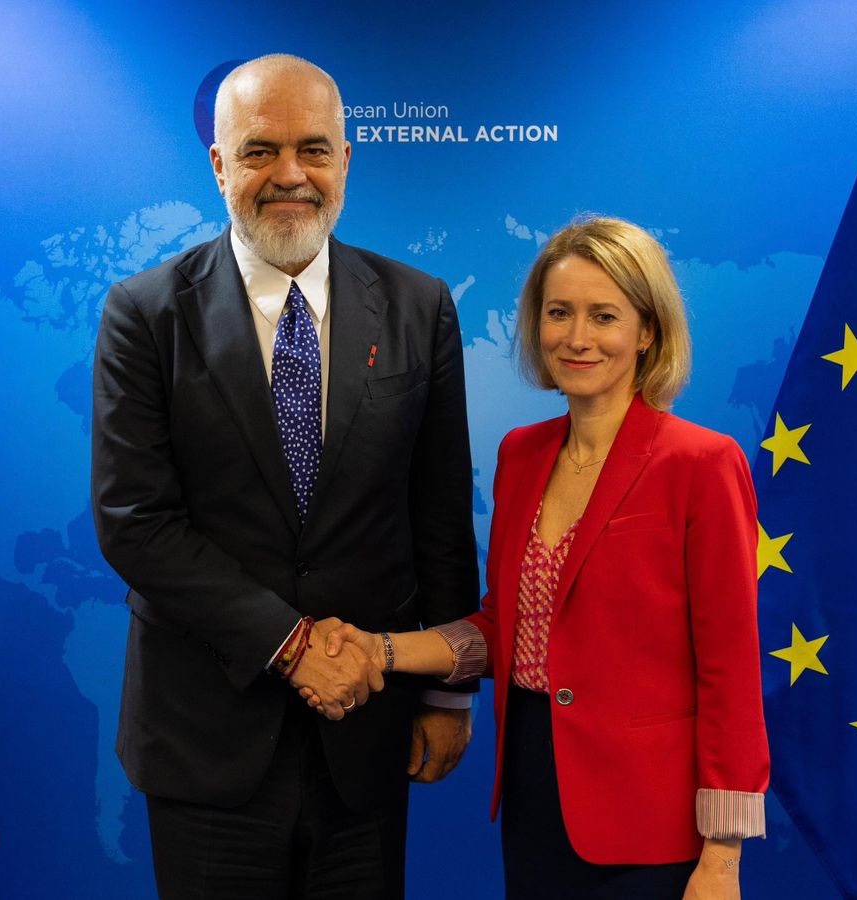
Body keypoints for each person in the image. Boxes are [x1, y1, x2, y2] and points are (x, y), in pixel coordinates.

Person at [91, 54, 479, 899]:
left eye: (314, 149)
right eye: (261, 150)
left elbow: (440, 512)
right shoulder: (145, 313)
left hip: (368, 736)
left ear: (346, 161)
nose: (291, 175)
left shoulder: (419, 306)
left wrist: (449, 696)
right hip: (205, 740)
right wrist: (291, 644)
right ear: (219, 164)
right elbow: (136, 521)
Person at [314, 217, 770, 899]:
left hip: (654, 817)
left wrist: (723, 856)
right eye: (559, 313)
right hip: (535, 788)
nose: (577, 337)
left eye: (604, 316)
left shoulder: (702, 463)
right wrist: (380, 649)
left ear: (648, 331)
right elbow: (507, 629)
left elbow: (730, 667)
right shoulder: (522, 454)